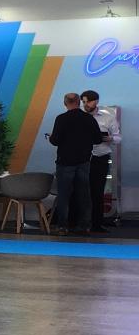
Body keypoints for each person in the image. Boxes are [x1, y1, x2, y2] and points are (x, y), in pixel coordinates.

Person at [47, 92, 102, 235]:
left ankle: (62, 226)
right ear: (79, 102)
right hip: (84, 161)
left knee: (64, 195)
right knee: (84, 195)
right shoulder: (88, 119)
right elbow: (98, 139)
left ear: (65, 103)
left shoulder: (61, 119)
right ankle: (84, 225)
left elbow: (55, 141)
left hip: (65, 162)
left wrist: (50, 138)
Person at [83, 89, 121, 233]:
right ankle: (80, 222)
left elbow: (118, 137)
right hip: (82, 158)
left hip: (101, 157)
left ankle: (96, 224)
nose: (85, 105)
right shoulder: (80, 117)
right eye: (83, 102)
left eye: (88, 102)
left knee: (98, 191)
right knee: (80, 191)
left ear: (96, 101)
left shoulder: (108, 117)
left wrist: (109, 138)